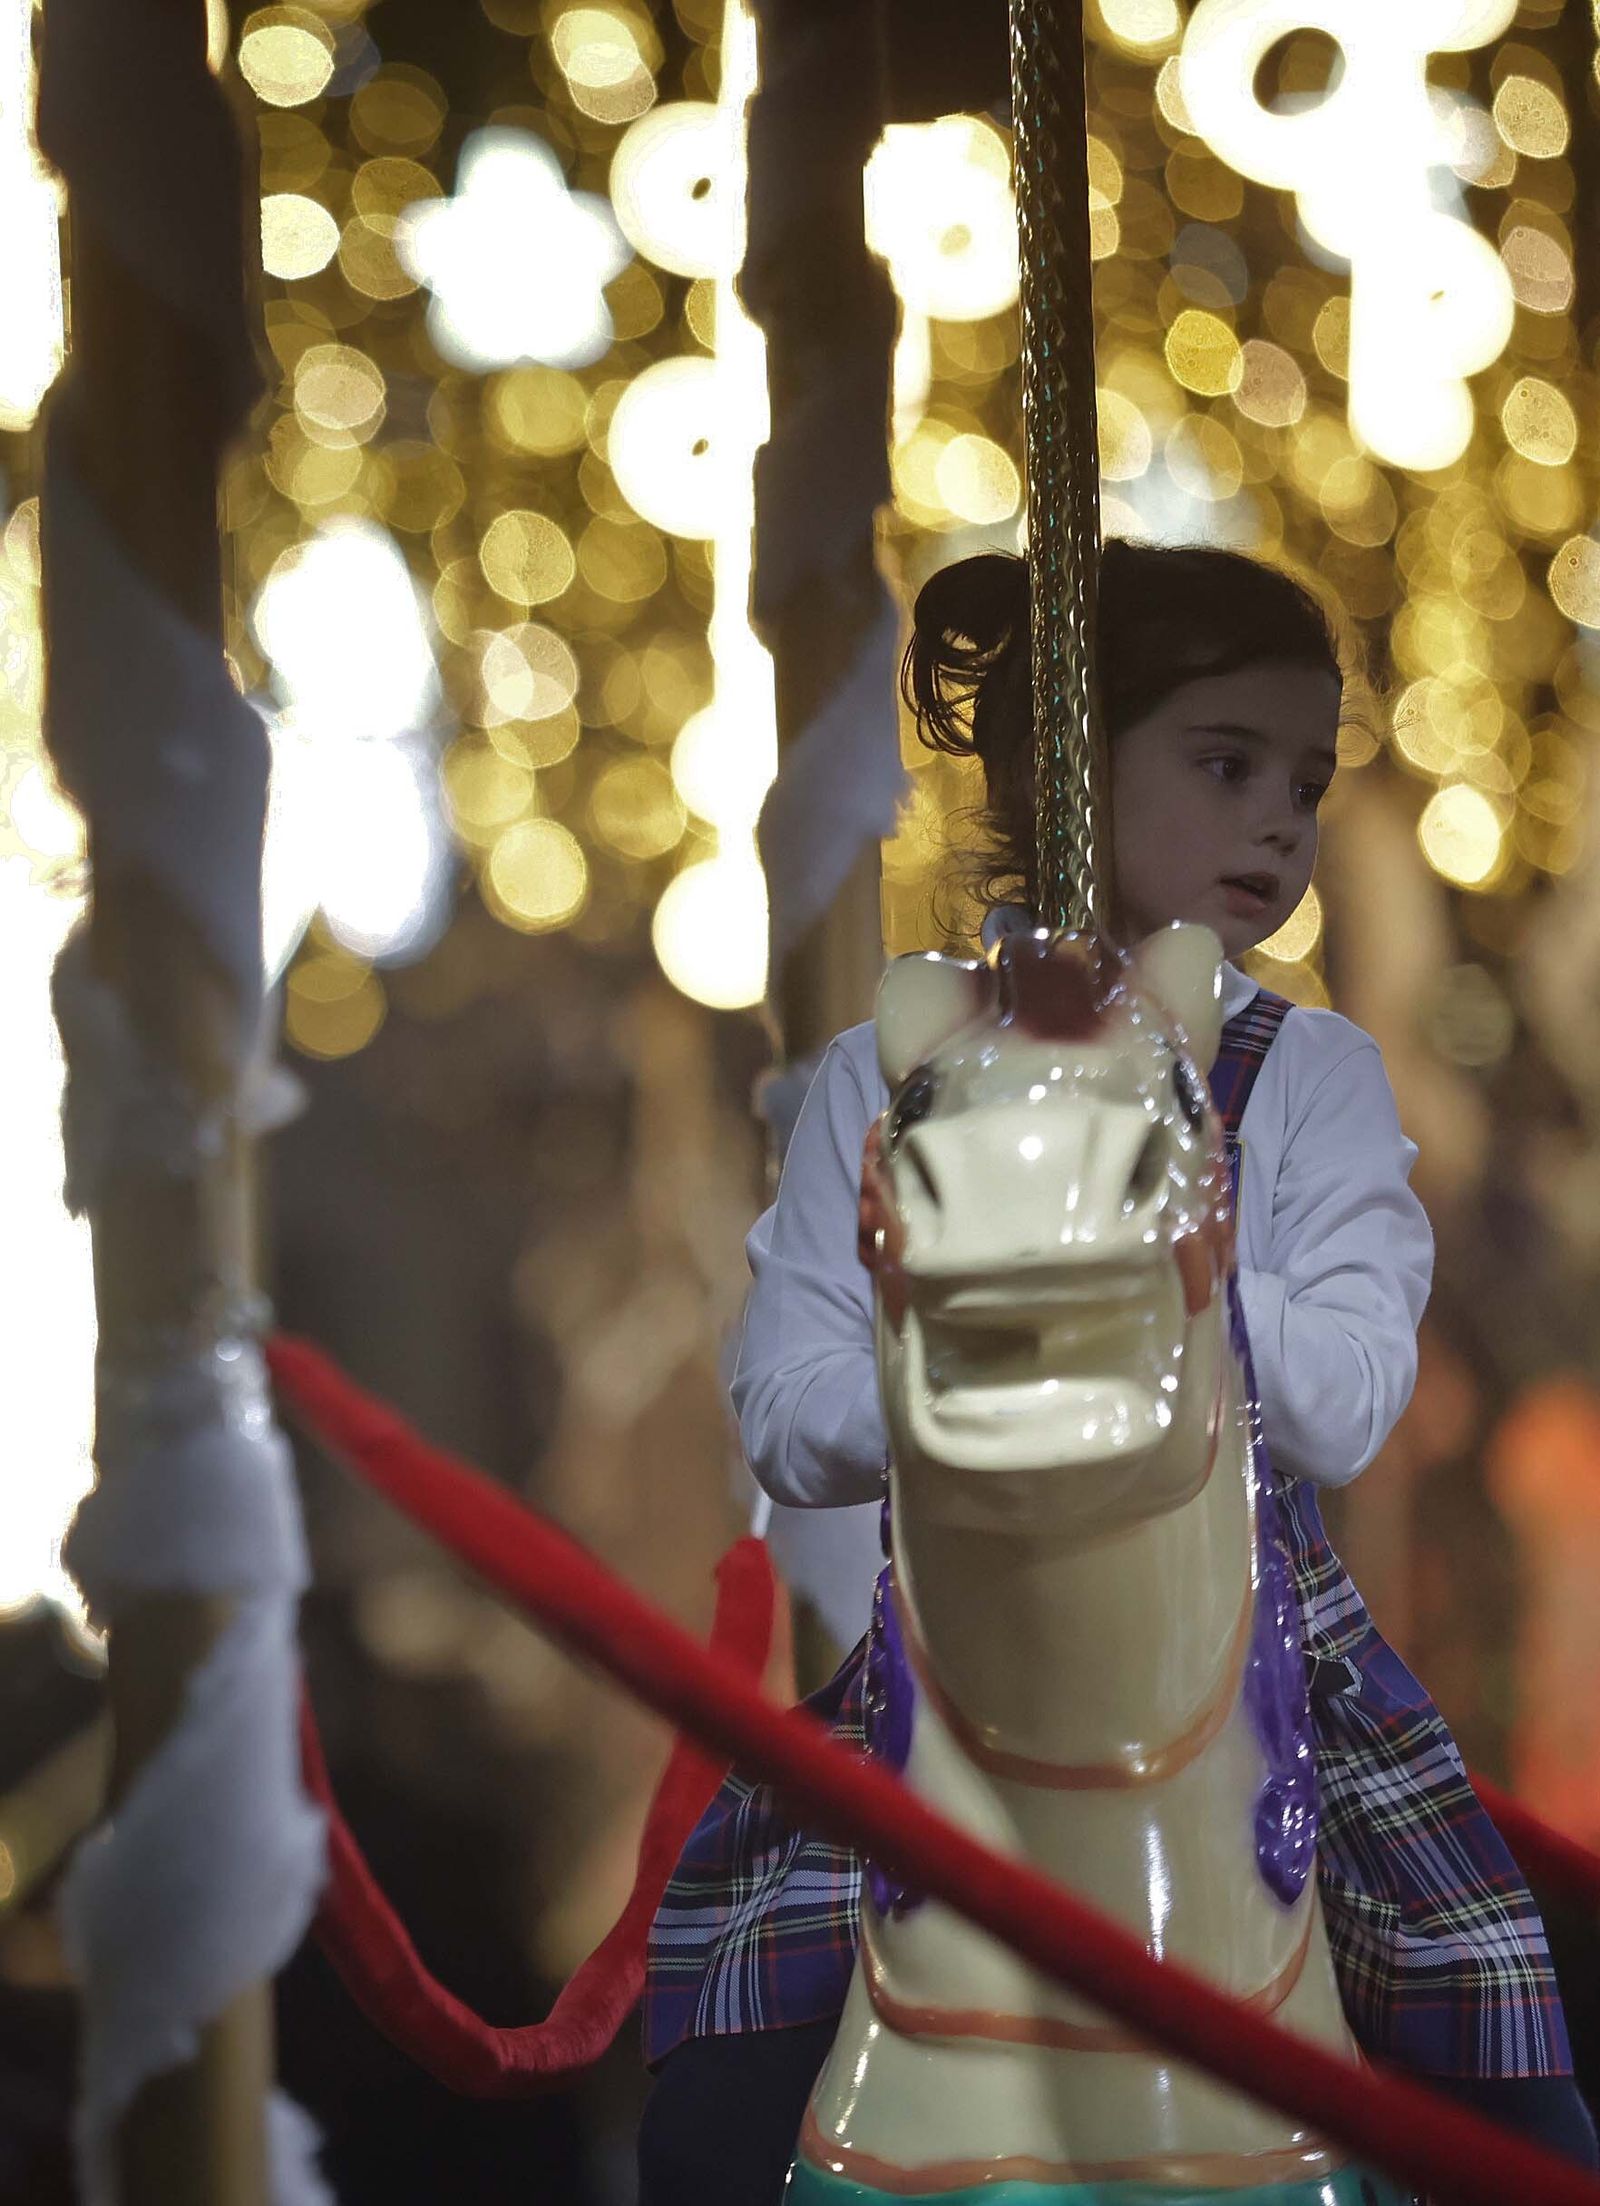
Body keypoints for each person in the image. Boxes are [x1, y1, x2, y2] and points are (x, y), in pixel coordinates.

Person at [636, 541, 1599, 2203]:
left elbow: (1355, 1397)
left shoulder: (1309, 1080)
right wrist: (953, 1365)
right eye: (1225, 765)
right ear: (1068, 767)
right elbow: (789, 1414)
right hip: (950, 1660)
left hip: (1269, 1649)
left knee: (1486, 2020)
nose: (1281, 823)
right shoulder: (890, 1068)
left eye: (1303, 779)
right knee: (721, 2040)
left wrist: (1178, 1284)